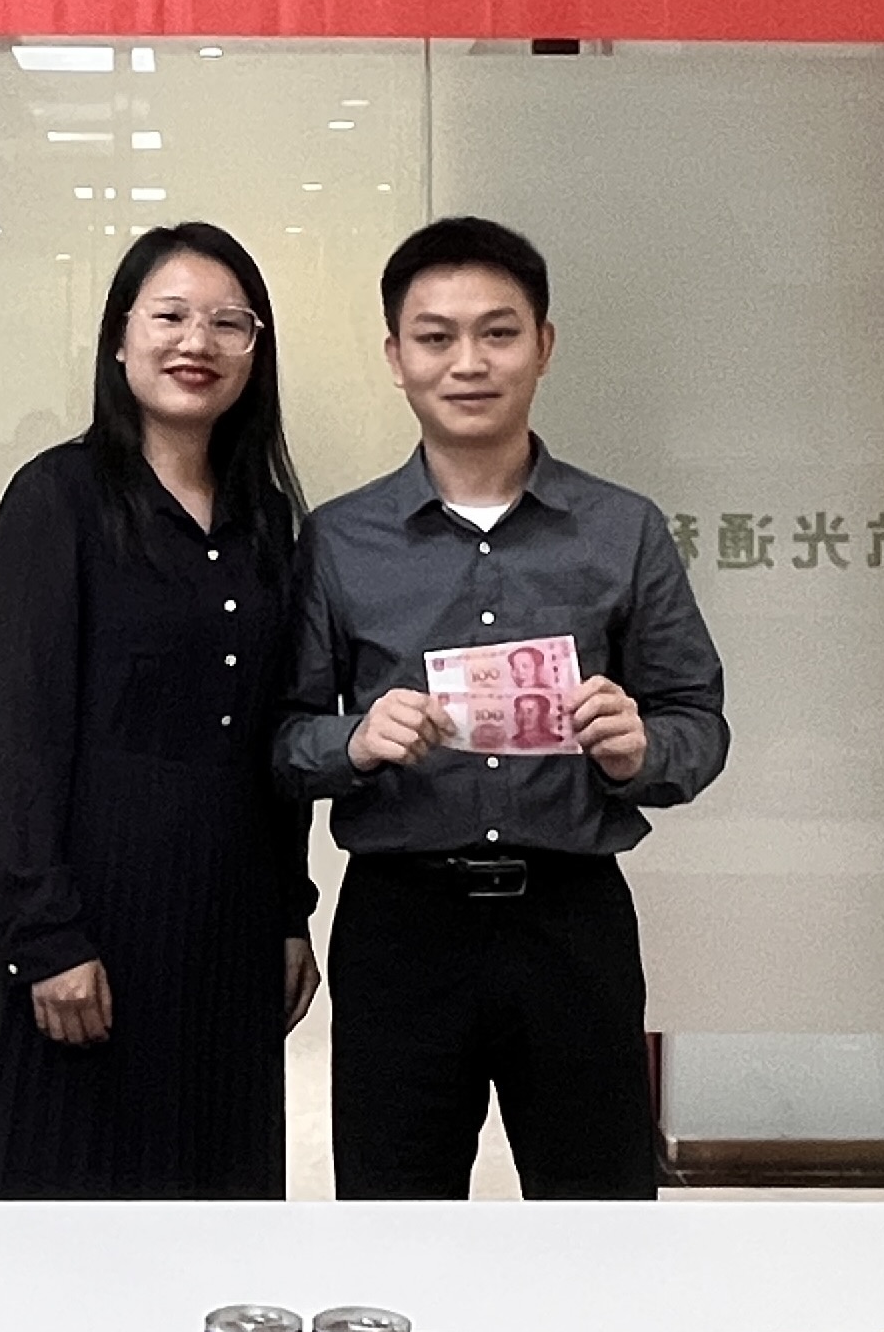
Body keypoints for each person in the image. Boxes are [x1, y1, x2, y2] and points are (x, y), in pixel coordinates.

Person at [276, 215, 729, 1200]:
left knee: (599, 1216)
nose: (469, 363)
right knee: (394, 1218)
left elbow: (698, 721)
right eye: (436, 337)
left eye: (499, 332)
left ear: (544, 345)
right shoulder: (341, 540)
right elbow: (282, 739)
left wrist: (640, 749)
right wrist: (355, 740)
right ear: (396, 358)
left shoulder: (622, 529)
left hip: (571, 921)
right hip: (402, 925)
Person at [0, 221, 322, 1197]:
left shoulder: (266, 520)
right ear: (120, 338)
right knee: (67, 1206)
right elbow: (14, 739)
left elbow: (276, 740)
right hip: (93, 918)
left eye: (228, 323)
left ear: (256, 351)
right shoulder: (57, 499)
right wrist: (45, 937)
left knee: (218, 1205)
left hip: (230, 921)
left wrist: (289, 914)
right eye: (169, 316)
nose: (196, 342)